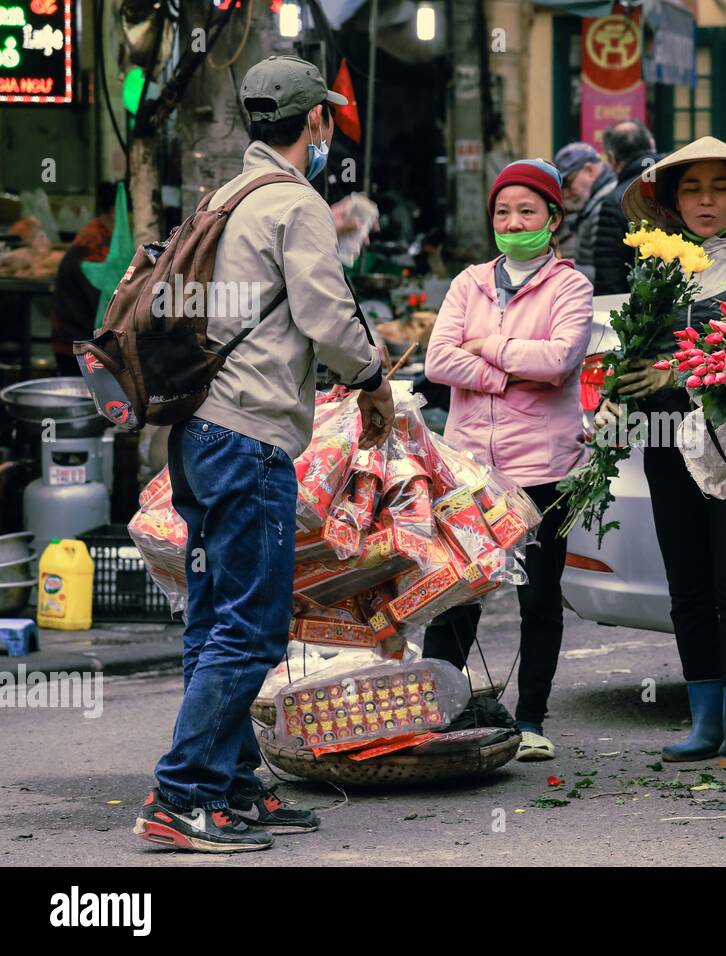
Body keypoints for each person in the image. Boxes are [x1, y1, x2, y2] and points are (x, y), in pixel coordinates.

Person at [134, 54, 395, 853]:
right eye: (326, 119)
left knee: (215, 618)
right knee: (250, 627)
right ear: (315, 121)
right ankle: (181, 796)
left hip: (200, 432)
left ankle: (233, 786)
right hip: (247, 438)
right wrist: (374, 375)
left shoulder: (226, 194)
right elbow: (325, 313)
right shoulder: (293, 201)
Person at [598, 136, 726, 771]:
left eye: (719, 187)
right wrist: (615, 397)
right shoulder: (658, 266)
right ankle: (704, 723)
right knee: (687, 583)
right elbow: (636, 352)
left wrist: (679, 372)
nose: (705, 200)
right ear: (670, 200)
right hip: (667, 445)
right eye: (691, 187)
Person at [422, 158, 593, 763]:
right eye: (503, 211)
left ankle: (530, 720)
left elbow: (557, 362)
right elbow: (438, 361)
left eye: (527, 211)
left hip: (544, 469)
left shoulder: (571, 286)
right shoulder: (468, 282)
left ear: (553, 218)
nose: (514, 221)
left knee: (538, 598)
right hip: (470, 468)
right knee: (456, 594)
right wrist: (506, 373)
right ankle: (432, 714)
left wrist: (485, 348)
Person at [52, 182, 115, 377]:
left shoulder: (98, 235)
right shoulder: (96, 244)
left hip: (76, 340)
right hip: (77, 345)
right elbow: (102, 301)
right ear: (115, 211)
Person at [591, 120, 657, 295]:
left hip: (639, 306)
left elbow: (609, 278)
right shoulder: (676, 185)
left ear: (612, 159)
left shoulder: (615, 201)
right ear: (651, 145)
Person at [554, 141, 617, 285]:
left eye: (568, 183)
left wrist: (565, 269)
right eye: (561, 187)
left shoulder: (605, 207)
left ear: (590, 171)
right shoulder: (595, 203)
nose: (565, 193)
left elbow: (608, 273)